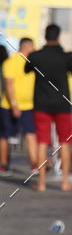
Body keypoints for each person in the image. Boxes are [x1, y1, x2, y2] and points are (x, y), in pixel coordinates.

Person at [24, 24, 72, 191]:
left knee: (42, 142)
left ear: (45, 36)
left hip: (41, 103)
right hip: (62, 104)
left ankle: (42, 182)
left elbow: (26, 70)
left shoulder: (36, 56)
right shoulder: (66, 57)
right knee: (65, 142)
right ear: (58, 37)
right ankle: (65, 181)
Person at [0, 38, 37, 175]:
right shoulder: (11, 62)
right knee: (4, 136)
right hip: (8, 106)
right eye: (33, 47)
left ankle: (34, 164)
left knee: (31, 134)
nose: (34, 50)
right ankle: (3, 164)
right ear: (26, 47)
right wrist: (14, 105)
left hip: (29, 105)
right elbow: (9, 85)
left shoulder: (32, 63)